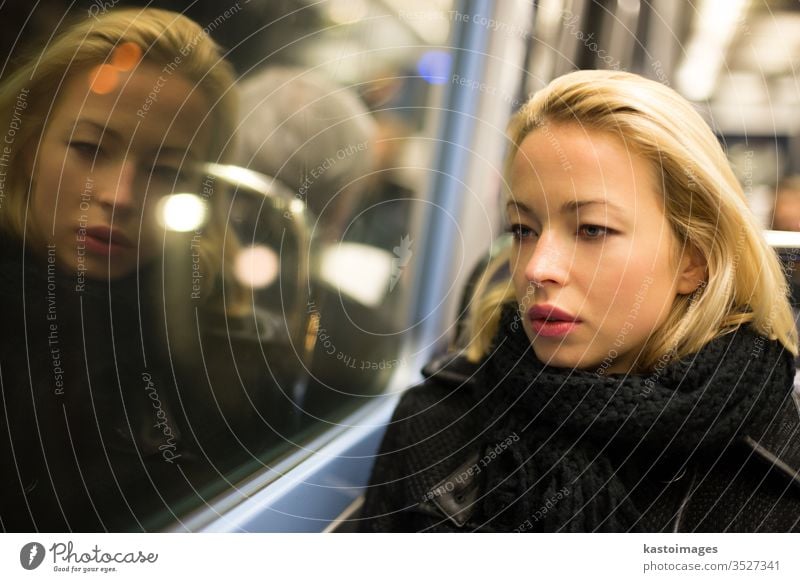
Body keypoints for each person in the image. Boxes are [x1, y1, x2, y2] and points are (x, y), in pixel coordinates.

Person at [360, 70, 800, 532]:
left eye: (592, 229)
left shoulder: (773, 474)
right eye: (523, 230)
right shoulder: (435, 423)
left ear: (693, 259)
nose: (536, 268)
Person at [0, 8, 278, 532]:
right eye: (88, 148)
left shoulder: (212, 340)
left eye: (167, 170)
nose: (119, 196)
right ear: (27, 143)